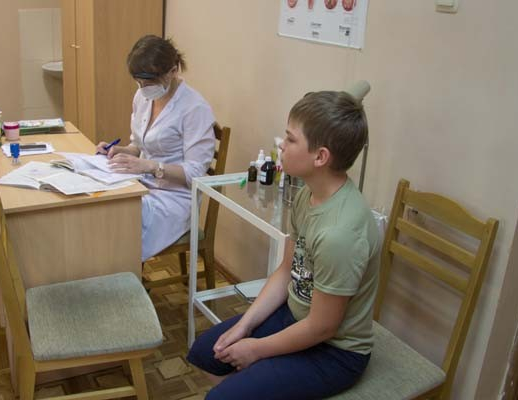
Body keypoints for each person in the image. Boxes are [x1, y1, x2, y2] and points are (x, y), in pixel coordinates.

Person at [187, 91, 380, 399]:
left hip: (335, 351)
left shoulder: (340, 235)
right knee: (205, 352)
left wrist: (256, 349)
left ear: (320, 157)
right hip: (296, 315)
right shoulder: (307, 194)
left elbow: (323, 327)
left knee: (222, 396)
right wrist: (244, 326)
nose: (281, 145)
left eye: (290, 139)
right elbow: (286, 270)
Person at [96, 35, 216, 261]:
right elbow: (138, 145)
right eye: (139, 82)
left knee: (119, 219)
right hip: (141, 183)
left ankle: (122, 273)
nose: (143, 89)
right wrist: (119, 151)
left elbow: (196, 174)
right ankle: (113, 271)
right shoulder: (142, 97)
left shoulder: (194, 109)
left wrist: (151, 167)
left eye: (149, 82)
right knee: (103, 204)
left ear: (173, 71)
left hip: (175, 198)